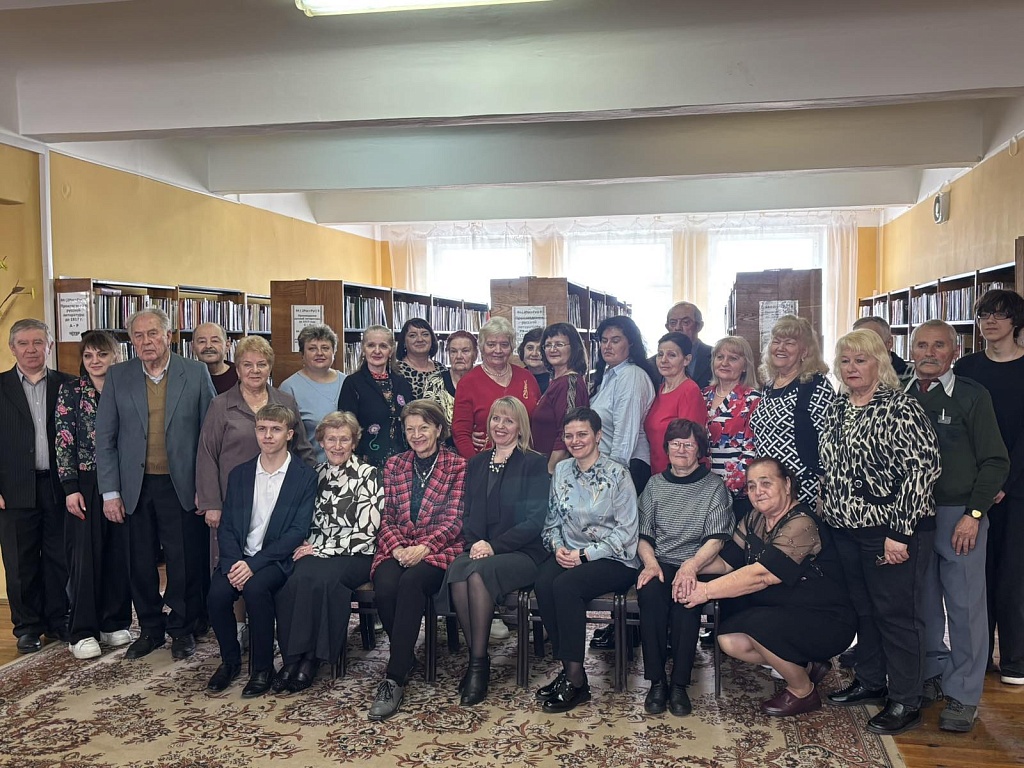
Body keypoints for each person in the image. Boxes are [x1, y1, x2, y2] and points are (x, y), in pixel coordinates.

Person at [818, 329, 941, 736]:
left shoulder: (900, 407)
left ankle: (906, 699)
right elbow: (831, 467)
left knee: (897, 615)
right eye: (845, 361)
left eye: (861, 360)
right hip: (845, 529)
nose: (852, 368)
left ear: (879, 363)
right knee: (864, 609)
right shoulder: (838, 407)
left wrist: (899, 533)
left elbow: (923, 470)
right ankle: (871, 681)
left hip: (892, 530)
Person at [681, 458, 856, 718]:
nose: (757, 491)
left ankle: (803, 691)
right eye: (751, 486)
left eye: (766, 483)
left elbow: (762, 576)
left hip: (826, 619)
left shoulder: (802, 523)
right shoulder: (755, 519)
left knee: (757, 628)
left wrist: (704, 591)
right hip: (785, 612)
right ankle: (807, 667)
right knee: (730, 639)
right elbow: (727, 562)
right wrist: (689, 567)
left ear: (787, 485)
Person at [95, 306, 216, 661]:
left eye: (152, 334)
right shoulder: (118, 376)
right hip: (134, 486)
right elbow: (105, 438)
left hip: (182, 485)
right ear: (131, 341)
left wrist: (206, 487)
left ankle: (182, 627)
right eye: (138, 335)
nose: (146, 341)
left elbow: (210, 437)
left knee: (184, 560)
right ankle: (150, 628)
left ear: (168, 336)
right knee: (139, 561)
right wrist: (110, 493)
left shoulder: (194, 373)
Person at [906, 319, 1008, 732]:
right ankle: (932, 672)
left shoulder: (971, 395)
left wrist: (974, 514)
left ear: (955, 351)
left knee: (965, 607)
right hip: (911, 516)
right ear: (911, 351)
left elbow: (996, 461)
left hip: (958, 515)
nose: (929, 353)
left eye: (938, 345)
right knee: (922, 601)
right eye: (921, 345)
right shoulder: (899, 394)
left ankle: (964, 694)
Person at [534, 407, 641, 713]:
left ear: (598, 436)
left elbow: (626, 533)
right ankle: (569, 667)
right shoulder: (562, 471)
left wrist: (584, 555)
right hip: (569, 552)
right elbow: (551, 522)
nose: (575, 441)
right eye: (569, 435)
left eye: (582, 434)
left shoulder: (618, 474)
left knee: (566, 586)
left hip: (615, 558)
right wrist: (557, 547)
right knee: (543, 582)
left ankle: (576, 681)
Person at [205, 404, 317, 697]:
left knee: (256, 590)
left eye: (275, 430)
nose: (267, 436)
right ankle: (230, 661)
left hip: (274, 560)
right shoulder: (240, 474)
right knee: (217, 595)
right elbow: (228, 526)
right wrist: (234, 563)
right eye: (262, 429)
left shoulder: (304, 476)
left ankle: (262, 668)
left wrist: (253, 565)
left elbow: (297, 531)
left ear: (289, 434)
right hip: (238, 558)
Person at [448, 397, 550, 706]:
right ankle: (478, 657)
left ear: (520, 427)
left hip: (523, 552)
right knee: (457, 572)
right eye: (495, 419)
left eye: (508, 420)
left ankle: (477, 668)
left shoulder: (534, 463)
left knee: (477, 575)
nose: (500, 426)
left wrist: (494, 546)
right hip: (481, 548)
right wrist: (476, 544)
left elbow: (535, 521)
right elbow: (467, 514)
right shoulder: (477, 463)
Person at [369, 399, 466, 721]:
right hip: (397, 546)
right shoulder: (394, 465)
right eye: (410, 429)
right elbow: (385, 516)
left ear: (438, 429)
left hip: (439, 549)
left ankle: (394, 678)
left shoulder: (457, 465)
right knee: (385, 585)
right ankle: (406, 654)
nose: (417, 435)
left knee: (411, 583)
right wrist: (398, 548)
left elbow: (455, 520)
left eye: (423, 427)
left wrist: (424, 548)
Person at [274, 411, 383, 693]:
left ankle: (312, 659)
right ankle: (292, 658)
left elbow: (367, 532)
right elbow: (303, 520)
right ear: (321, 442)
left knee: (324, 580)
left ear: (354, 443)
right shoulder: (314, 474)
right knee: (293, 578)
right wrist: (306, 546)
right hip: (315, 550)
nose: (337, 446)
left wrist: (320, 548)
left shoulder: (369, 475)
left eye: (344, 439)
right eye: (331, 439)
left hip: (355, 553)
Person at [636, 418, 733, 717]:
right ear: (666, 448)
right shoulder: (654, 485)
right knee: (650, 595)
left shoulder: (714, 486)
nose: (681, 449)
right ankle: (657, 682)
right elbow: (643, 535)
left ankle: (679, 684)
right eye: (675, 443)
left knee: (686, 600)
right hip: (660, 561)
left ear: (699, 450)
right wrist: (650, 563)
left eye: (688, 444)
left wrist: (691, 567)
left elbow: (716, 539)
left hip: (698, 561)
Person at [954, 289, 1024, 687]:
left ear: (1015, 321)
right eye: (983, 315)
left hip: (1018, 488)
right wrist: (983, 484)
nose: (990, 322)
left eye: (999, 315)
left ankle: (1015, 659)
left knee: (1014, 575)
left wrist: (1003, 482)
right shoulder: (966, 368)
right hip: (975, 487)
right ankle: (979, 657)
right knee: (977, 576)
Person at [55, 330, 132, 659]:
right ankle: (83, 631)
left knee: (119, 554)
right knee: (85, 558)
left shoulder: (128, 388)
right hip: (85, 482)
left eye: (102, 354)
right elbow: (63, 440)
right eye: (88, 356)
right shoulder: (71, 391)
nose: (95, 361)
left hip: (124, 481)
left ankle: (113, 622)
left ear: (116, 356)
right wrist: (70, 488)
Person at [0, 318, 73, 653]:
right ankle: (27, 627)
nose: (31, 350)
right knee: (20, 562)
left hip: (59, 486)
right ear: (12, 348)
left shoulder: (68, 385)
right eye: (24, 343)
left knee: (60, 557)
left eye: (38, 342)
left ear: (50, 346)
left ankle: (59, 620)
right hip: (13, 489)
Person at [197, 334, 315, 529]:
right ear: (237, 369)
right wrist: (211, 503)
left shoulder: (286, 402)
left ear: (270, 368)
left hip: (281, 499)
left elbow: (301, 448)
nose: (255, 370)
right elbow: (207, 455)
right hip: (233, 499)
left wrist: (315, 486)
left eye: (261, 364)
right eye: (247, 365)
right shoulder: (220, 405)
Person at [748, 315, 834, 508]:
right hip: (767, 486)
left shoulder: (816, 385)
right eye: (776, 341)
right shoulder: (770, 385)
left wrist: (823, 486)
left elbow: (829, 441)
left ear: (805, 351)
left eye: (789, 343)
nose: (781, 348)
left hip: (801, 487)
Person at [452, 317, 541, 460]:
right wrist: (476, 465)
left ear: (512, 347)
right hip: (486, 462)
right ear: (482, 347)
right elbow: (461, 433)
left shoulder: (527, 377)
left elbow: (538, 422)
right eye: (491, 344)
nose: (498, 350)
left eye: (504, 344)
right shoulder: (468, 383)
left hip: (526, 461)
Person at [589, 315, 657, 494]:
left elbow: (625, 433)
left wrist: (612, 478)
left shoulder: (631, 376)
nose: (607, 346)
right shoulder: (610, 374)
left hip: (626, 470)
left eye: (615, 340)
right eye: (604, 341)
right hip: (607, 466)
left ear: (631, 343)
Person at [338, 325, 415, 469]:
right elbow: (346, 426)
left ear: (391, 350)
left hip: (403, 461)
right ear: (363, 348)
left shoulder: (402, 382)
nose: (377, 351)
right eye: (371, 345)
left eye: (383, 346)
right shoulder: (353, 383)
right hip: (366, 463)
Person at [704, 336, 761, 521]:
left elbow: (751, 450)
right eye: (720, 357)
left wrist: (727, 490)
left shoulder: (752, 398)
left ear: (745, 365)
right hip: (702, 488)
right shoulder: (703, 394)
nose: (724, 363)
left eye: (733, 358)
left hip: (736, 493)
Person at [279, 324, 345, 464]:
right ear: (302, 354)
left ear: (334, 352)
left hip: (349, 469)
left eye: (325, 348)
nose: (319, 353)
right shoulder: (289, 388)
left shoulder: (348, 382)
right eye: (312, 348)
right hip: (309, 467)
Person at [643, 332, 706, 476]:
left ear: (686, 360)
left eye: (671, 355)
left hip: (680, 475)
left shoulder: (689, 390)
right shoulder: (659, 389)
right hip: (657, 473)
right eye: (660, 354)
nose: (663, 360)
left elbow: (689, 443)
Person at [529, 323, 589, 474]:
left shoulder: (569, 383)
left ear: (573, 348)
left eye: (559, 344)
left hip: (557, 470)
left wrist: (550, 473)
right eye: (548, 345)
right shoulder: (557, 381)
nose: (552, 349)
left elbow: (568, 433)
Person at [422, 330, 477, 445]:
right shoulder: (434, 381)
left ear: (475, 354)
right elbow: (427, 420)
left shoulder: (483, 381)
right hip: (442, 447)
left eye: (465, 351)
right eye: (453, 351)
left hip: (477, 446)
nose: (459, 356)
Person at [649, 302, 713, 389]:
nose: (678, 327)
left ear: (699, 326)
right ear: (667, 327)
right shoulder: (651, 364)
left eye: (685, 322)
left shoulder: (716, 357)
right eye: (673, 323)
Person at [395, 318, 446, 400]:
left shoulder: (442, 369)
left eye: (425, 334)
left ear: (432, 339)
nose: (420, 339)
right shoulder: (396, 371)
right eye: (412, 335)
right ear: (404, 342)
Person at [194, 322, 239, 395]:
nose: (208, 346)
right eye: (202, 341)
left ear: (227, 346)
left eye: (215, 341)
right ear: (193, 347)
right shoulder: (187, 376)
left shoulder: (240, 374)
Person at [517, 327, 550, 394]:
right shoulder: (515, 378)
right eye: (530, 348)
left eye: (540, 349)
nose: (534, 354)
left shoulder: (556, 381)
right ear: (522, 351)